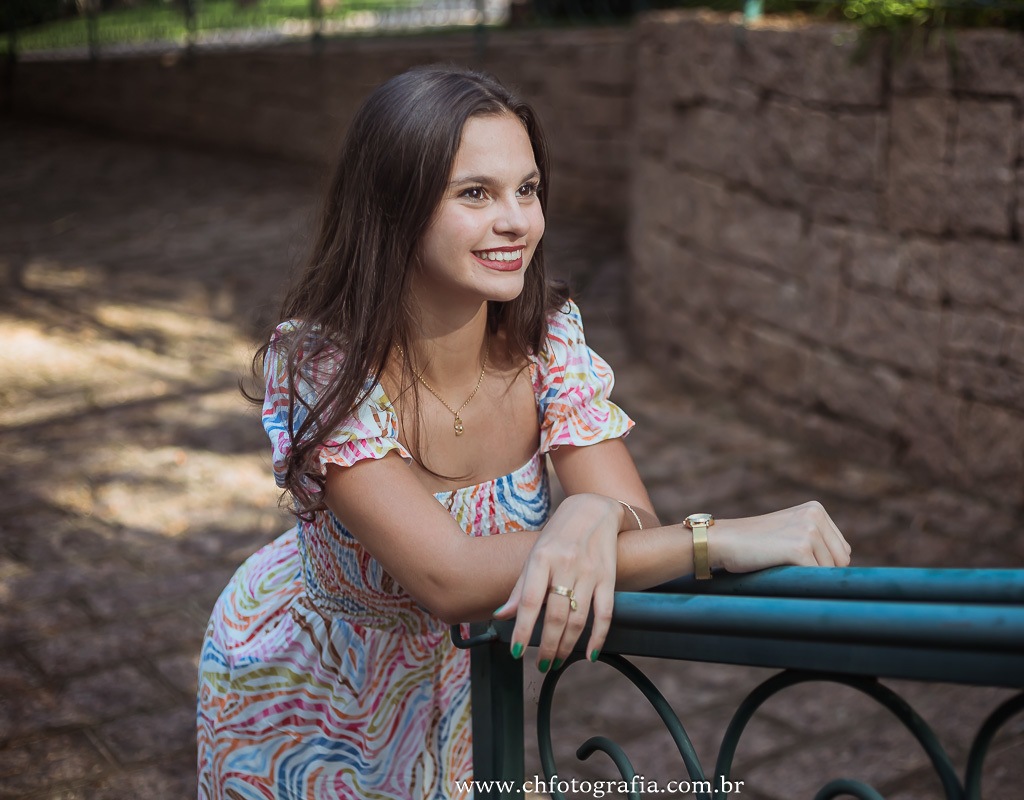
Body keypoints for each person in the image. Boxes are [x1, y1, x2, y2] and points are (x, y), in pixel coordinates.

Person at [196, 64, 851, 800]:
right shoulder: (322, 366)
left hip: (472, 694)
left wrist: (594, 511)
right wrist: (716, 537)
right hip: (306, 693)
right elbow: (448, 578)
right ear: (394, 206)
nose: (518, 222)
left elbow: (634, 523)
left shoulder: (549, 346)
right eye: (476, 193)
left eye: (528, 189)